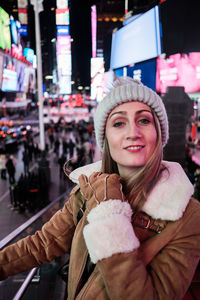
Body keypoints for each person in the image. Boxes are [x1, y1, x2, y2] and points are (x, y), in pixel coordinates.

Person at [0, 77, 200, 300]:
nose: (133, 132)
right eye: (118, 123)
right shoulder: (87, 191)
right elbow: (43, 244)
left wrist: (108, 212)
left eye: (144, 121)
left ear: (159, 134)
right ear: (105, 139)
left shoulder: (188, 216)